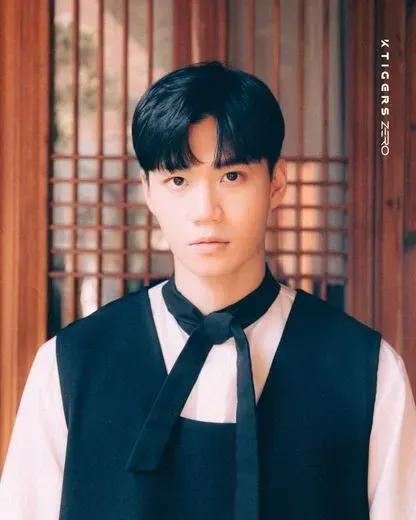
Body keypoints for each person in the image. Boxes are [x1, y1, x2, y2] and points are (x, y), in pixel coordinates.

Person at [0, 60, 415, 520]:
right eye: (178, 180)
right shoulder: (70, 364)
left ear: (276, 184)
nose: (206, 210)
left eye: (231, 177)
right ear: (148, 192)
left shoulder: (367, 369)